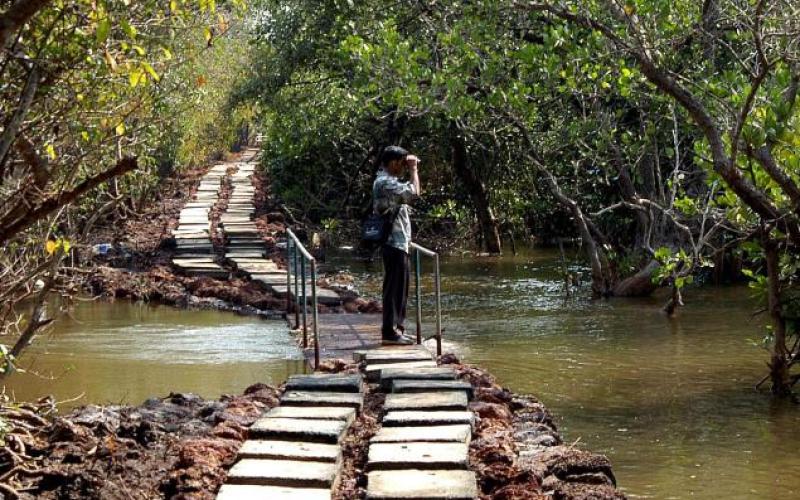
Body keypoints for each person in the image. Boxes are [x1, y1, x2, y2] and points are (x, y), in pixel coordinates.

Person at [373, 145, 421, 345]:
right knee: (394, 288)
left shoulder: (388, 181)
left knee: (401, 289)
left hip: (399, 243)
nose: (403, 168)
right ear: (393, 163)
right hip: (393, 242)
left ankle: (397, 330)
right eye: (401, 164)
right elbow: (414, 193)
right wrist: (414, 170)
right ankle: (390, 332)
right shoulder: (384, 182)